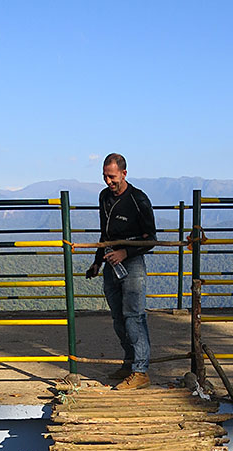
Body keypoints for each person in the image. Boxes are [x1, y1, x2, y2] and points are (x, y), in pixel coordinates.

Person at [86, 153, 156, 389]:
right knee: (118, 318)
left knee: (134, 316)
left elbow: (151, 240)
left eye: (112, 176)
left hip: (132, 263)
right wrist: (97, 262)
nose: (108, 181)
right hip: (110, 262)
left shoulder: (138, 200)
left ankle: (141, 370)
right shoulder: (104, 197)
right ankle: (129, 363)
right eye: (105, 176)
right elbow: (104, 234)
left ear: (124, 174)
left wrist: (125, 253)